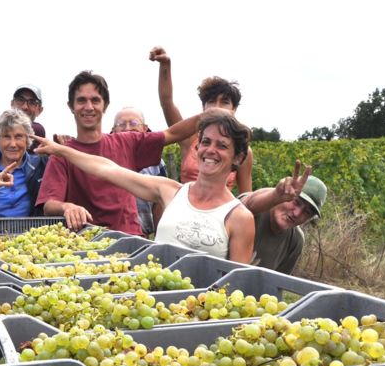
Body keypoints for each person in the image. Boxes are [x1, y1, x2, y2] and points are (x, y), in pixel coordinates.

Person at [34, 110, 255, 262]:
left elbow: (237, 286)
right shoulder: (170, 191)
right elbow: (107, 169)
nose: (210, 150)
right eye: (205, 142)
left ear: (238, 157)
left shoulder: (239, 218)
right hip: (151, 304)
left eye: (222, 145)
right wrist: (60, 150)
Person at [35, 69, 208, 234]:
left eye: (95, 100)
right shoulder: (62, 154)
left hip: (131, 239)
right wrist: (67, 207)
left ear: (105, 106)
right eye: (81, 100)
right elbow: (49, 204)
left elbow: (172, 133)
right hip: (86, 242)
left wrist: (210, 116)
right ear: (71, 106)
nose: (88, 107)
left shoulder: (128, 142)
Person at [149, 46, 253, 193]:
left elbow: (246, 196)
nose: (217, 108)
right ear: (203, 107)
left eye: (224, 102)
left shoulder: (242, 150)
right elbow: (167, 102)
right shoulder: (189, 137)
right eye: (211, 101)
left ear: (234, 109)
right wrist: (165, 65)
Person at [239, 161, 328, 274]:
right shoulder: (256, 209)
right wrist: (274, 196)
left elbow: (276, 284)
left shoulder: (295, 241)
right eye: (296, 202)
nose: (297, 213)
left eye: (307, 212)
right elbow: (246, 204)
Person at [111, 107, 167, 235]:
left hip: (143, 235)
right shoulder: (104, 158)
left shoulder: (157, 163)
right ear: (113, 131)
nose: (127, 128)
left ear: (145, 128)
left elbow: (159, 203)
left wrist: (159, 237)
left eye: (134, 123)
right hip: (109, 233)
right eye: (121, 124)